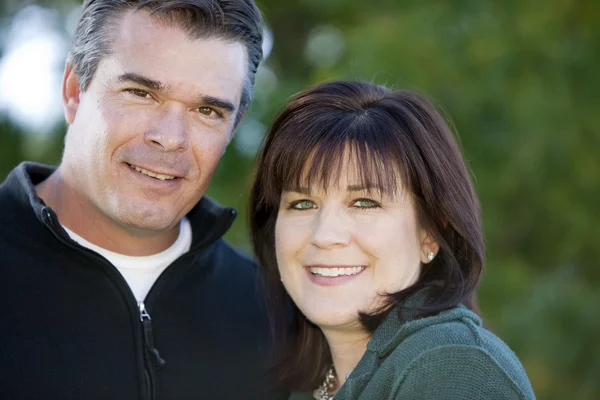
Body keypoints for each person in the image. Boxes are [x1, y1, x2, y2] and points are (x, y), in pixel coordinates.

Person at [0, 1, 287, 399]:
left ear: (234, 125)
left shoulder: (271, 314)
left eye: (207, 110)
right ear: (73, 91)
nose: (170, 137)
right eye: (140, 92)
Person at [250, 81, 536, 399]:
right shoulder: (307, 387)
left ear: (430, 234)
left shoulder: (451, 364)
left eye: (364, 202)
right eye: (302, 204)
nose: (324, 236)